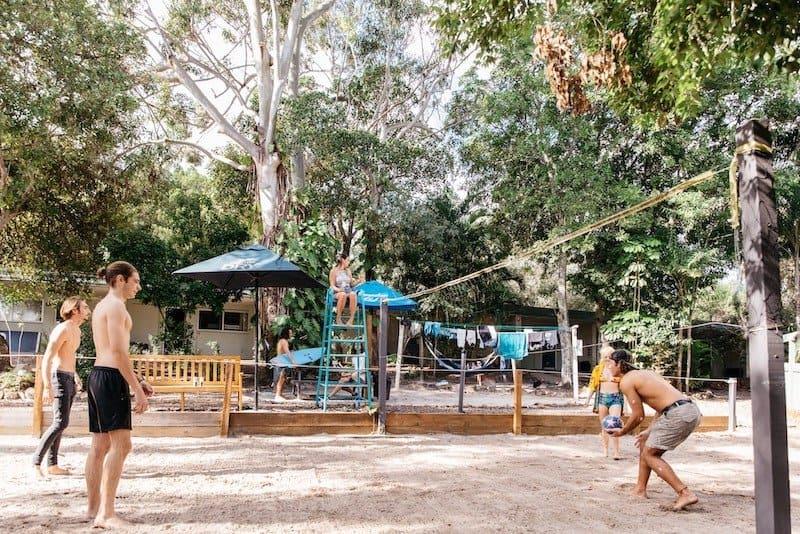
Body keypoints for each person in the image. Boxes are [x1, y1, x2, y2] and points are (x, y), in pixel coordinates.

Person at [85, 261, 153, 528]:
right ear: (121, 280)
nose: (138, 286)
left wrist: (139, 380)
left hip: (99, 376)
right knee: (122, 445)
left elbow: (112, 354)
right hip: (110, 378)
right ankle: (107, 514)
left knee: (99, 446)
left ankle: (93, 508)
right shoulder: (115, 306)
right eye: (135, 281)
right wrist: (137, 390)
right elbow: (118, 352)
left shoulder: (102, 306)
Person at [607, 349, 702, 511]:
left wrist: (622, 432)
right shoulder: (645, 373)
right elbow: (662, 406)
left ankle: (684, 493)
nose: (607, 366)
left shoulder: (626, 381)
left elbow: (638, 416)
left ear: (619, 364)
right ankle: (640, 489)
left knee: (650, 454)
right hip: (690, 410)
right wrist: (650, 430)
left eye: (609, 362)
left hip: (679, 413)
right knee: (645, 444)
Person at [32, 297, 91, 477]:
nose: (88, 309)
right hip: (58, 377)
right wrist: (48, 385)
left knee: (62, 423)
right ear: (75, 310)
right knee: (60, 422)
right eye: (85, 307)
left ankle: (52, 465)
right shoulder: (62, 329)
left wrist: (76, 376)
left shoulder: (77, 330)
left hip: (69, 377)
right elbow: (48, 357)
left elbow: (69, 355)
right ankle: (36, 462)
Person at [587, 344, 623, 459]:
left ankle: (616, 452)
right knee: (604, 426)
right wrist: (588, 398)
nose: (607, 358)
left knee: (615, 424)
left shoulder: (618, 368)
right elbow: (593, 384)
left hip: (615, 398)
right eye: (605, 356)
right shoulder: (598, 369)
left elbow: (624, 383)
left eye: (609, 356)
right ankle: (605, 450)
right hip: (602, 398)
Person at [329, 253, 358, 325]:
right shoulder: (333, 271)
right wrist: (340, 290)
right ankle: (338, 318)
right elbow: (332, 286)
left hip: (348, 290)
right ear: (343, 260)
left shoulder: (348, 271)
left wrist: (359, 280)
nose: (348, 262)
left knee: (353, 294)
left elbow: (352, 284)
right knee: (343, 294)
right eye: (347, 260)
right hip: (338, 292)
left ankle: (351, 320)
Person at [272, 328, 294, 402]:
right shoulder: (284, 341)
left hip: (281, 362)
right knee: (280, 379)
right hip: (281, 363)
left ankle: (280, 394)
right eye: (290, 333)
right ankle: (277, 395)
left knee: (283, 378)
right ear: (286, 333)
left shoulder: (281, 341)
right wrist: (293, 362)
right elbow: (287, 352)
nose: (291, 334)